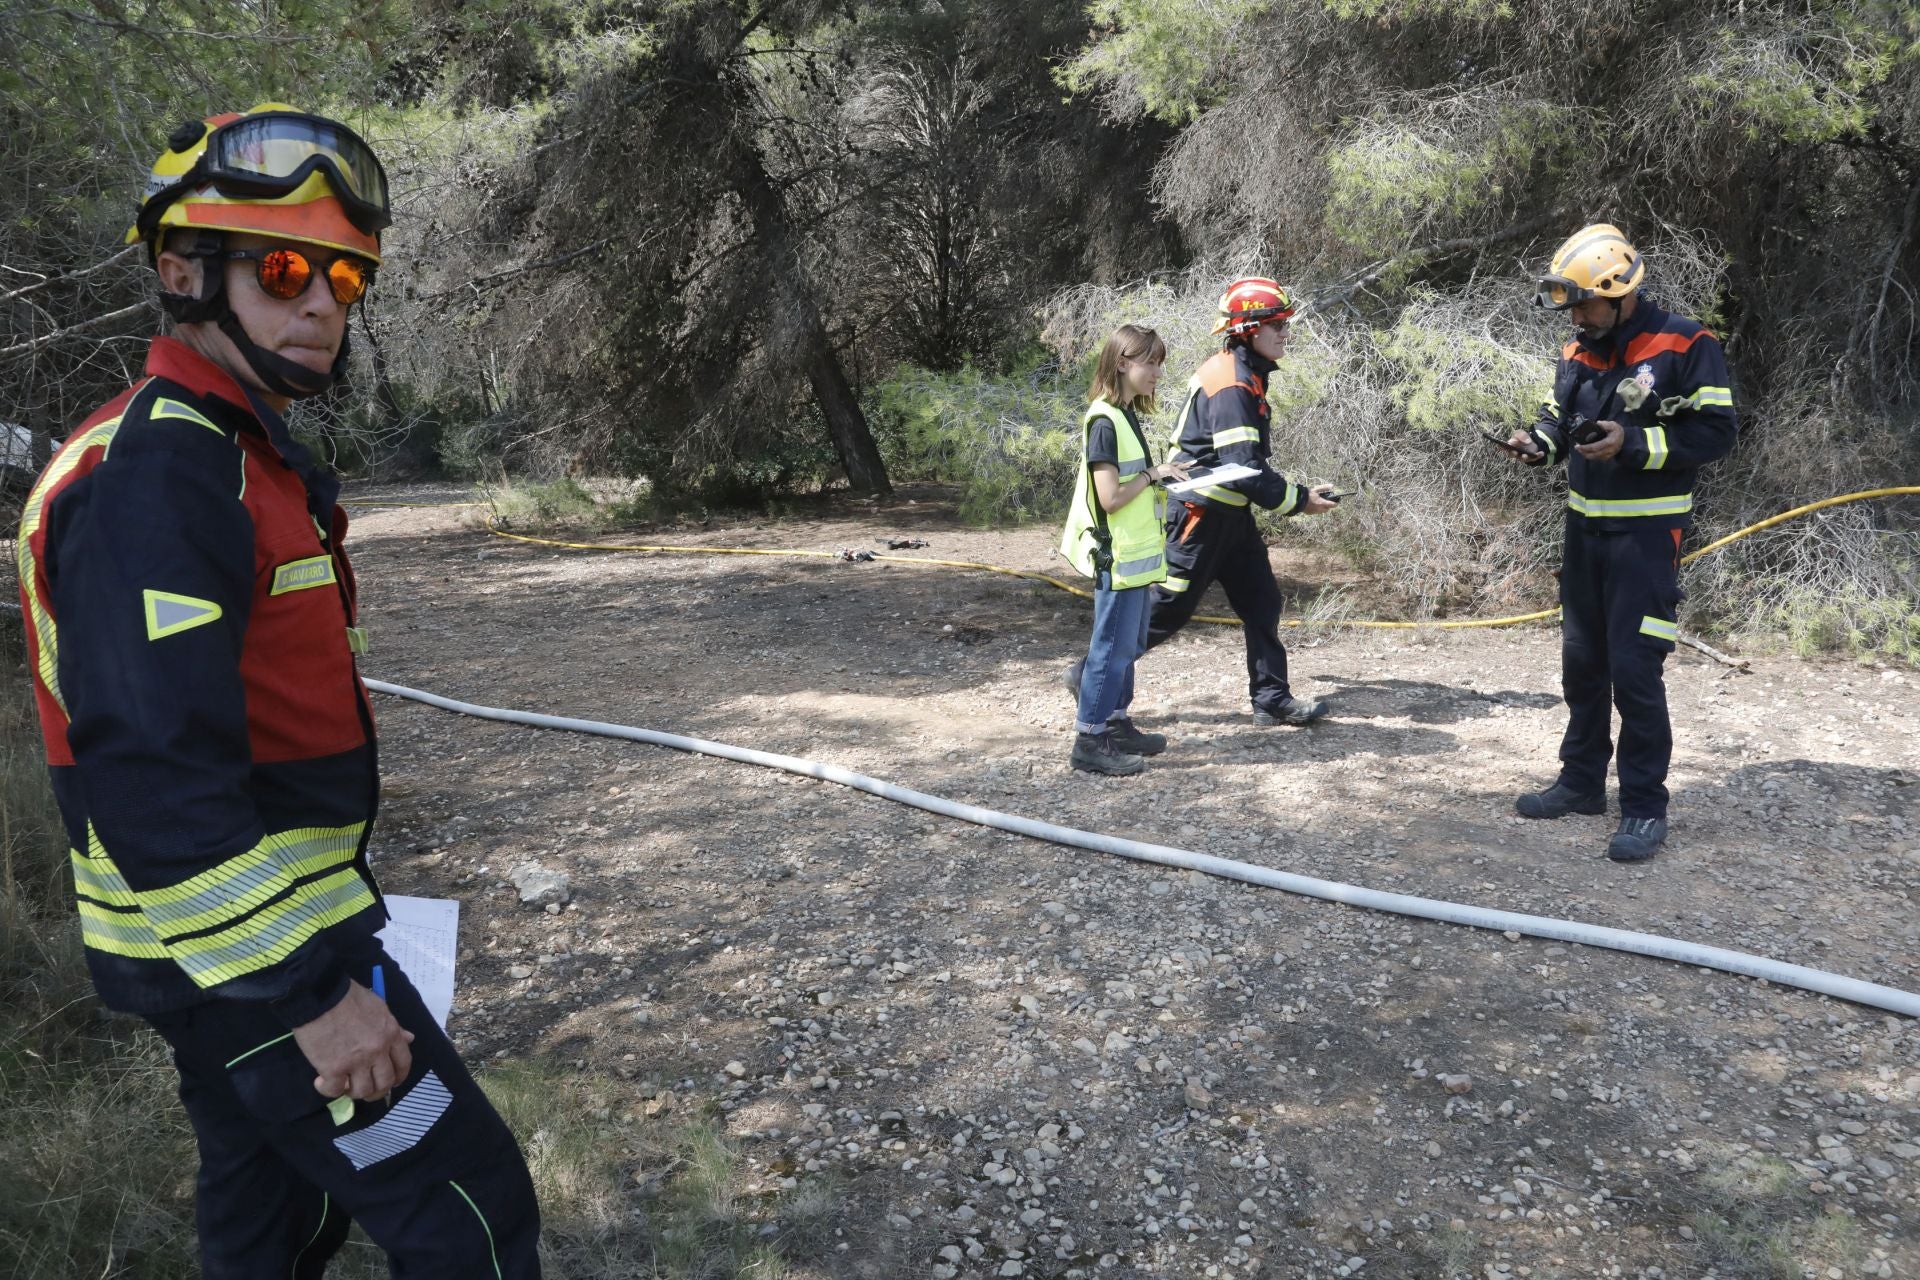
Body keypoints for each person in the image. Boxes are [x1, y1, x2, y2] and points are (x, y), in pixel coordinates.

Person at [14, 104, 542, 1276]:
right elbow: (153, 778)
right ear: (182, 272)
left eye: (343, 281)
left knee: (275, 1223)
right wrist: (316, 997)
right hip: (250, 960)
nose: (322, 307)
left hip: (249, 945)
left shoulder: (229, 449)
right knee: (469, 1209)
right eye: (287, 271)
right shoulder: (159, 471)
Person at [1498, 223, 1737, 862]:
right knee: (1583, 665)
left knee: (1634, 671)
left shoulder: (1687, 344)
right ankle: (1580, 783)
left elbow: (1716, 434)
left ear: (1621, 292)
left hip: (1647, 538)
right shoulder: (1578, 349)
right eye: (1571, 308)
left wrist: (1633, 443)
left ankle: (1644, 807)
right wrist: (1538, 444)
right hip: (1584, 533)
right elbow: (1560, 419)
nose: (1577, 318)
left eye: (1585, 305)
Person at [1142, 277, 1339, 725]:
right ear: (1249, 329)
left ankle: (1272, 699)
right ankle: (1093, 677)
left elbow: (1242, 467)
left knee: (1262, 602)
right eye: (1277, 324)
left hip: (1229, 513)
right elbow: (1244, 466)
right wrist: (1299, 501)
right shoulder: (1232, 383)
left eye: (1286, 323)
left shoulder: (1245, 371)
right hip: (1200, 515)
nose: (1286, 332)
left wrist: (1296, 497)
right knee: (1167, 610)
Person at [1059, 324, 1190, 775]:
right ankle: (1089, 739)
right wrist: (1154, 475)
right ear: (1121, 363)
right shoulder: (1104, 421)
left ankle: (1115, 723)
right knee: (1110, 649)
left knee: (1129, 644)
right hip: (1116, 558)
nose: (1157, 372)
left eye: (1159, 363)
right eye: (1149, 362)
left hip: (1134, 558)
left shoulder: (1124, 413)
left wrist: (1162, 474)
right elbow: (1111, 497)